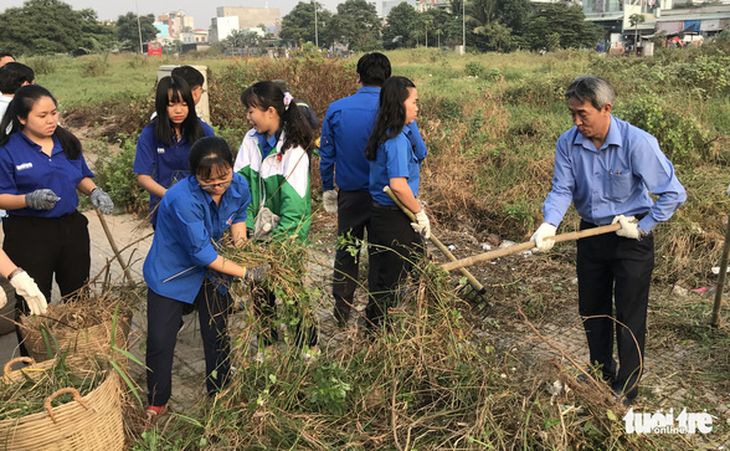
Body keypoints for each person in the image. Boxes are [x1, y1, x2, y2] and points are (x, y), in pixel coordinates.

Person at [530, 75, 686, 405]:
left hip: (631, 239)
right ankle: (601, 369)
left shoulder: (637, 143)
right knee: (592, 308)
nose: (576, 121)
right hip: (591, 234)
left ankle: (627, 386)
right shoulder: (568, 142)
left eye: (582, 114)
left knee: (629, 313)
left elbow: (673, 193)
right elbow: (562, 189)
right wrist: (549, 224)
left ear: (606, 109)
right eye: (571, 113)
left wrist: (643, 226)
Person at [144, 136, 266, 420]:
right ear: (193, 174)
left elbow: (238, 220)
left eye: (223, 177)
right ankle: (157, 401)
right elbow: (201, 253)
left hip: (215, 273)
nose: (218, 185)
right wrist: (247, 272)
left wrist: (242, 251)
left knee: (218, 333)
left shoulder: (239, 185)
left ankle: (220, 391)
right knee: (161, 338)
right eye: (208, 180)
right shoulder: (180, 198)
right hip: (172, 272)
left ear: (231, 168)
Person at [0, 84, 114, 354]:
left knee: (78, 295)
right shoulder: (8, 150)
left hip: (70, 228)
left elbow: (80, 176)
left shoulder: (66, 141)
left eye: (54, 113)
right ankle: (35, 360)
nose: (52, 120)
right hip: (28, 232)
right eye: (42, 116)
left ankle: (79, 353)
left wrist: (94, 190)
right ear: (22, 118)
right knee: (32, 300)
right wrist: (28, 199)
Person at [319, 52, 427, 327]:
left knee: (347, 250)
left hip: (352, 195)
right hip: (390, 200)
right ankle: (384, 313)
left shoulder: (337, 109)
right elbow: (421, 150)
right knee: (385, 256)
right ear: (389, 80)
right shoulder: (393, 109)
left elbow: (327, 155)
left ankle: (342, 311)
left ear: (358, 77)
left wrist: (327, 188)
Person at [233, 81, 317, 357]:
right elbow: (240, 188)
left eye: (251, 110)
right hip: (256, 238)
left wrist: (277, 249)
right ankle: (268, 346)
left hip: (286, 240)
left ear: (271, 111)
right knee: (260, 293)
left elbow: (296, 210)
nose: (248, 117)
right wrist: (243, 233)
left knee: (292, 291)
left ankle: (308, 345)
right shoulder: (250, 141)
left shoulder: (293, 151)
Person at [364, 76, 429, 331]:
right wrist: (419, 212)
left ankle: (425, 320)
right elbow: (398, 185)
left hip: (388, 215)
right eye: (413, 102)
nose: (417, 107)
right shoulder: (397, 140)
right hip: (394, 217)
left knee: (417, 266)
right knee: (389, 280)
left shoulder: (391, 133)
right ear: (399, 105)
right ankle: (378, 335)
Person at [134, 75, 214, 227]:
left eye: (184, 104)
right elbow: (143, 177)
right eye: (172, 105)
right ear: (162, 105)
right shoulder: (150, 133)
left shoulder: (203, 131)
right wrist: (171, 196)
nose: (179, 110)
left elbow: (217, 169)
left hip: (199, 209)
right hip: (165, 209)